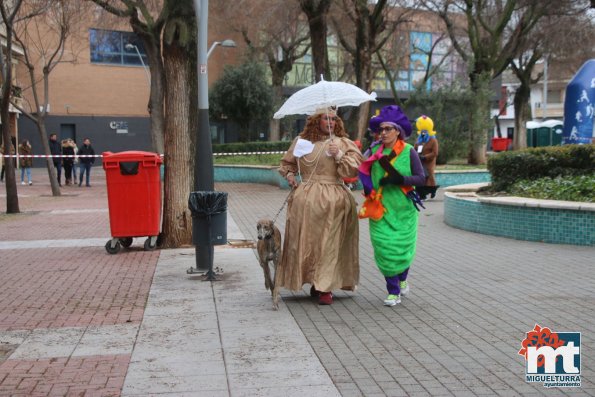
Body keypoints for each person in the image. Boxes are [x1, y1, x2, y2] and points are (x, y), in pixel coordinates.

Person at [277, 107, 363, 305]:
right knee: (307, 241)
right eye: (326, 118)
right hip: (305, 200)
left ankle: (325, 286)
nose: (331, 122)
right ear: (316, 120)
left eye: (334, 119)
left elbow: (354, 169)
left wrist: (340, 155)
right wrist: (290, 176)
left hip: (334, 199)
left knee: (329, 243)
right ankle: (314, 281)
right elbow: (287, 164)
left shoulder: (343, 143)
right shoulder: (302, 142)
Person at [357, 105, 426, 306]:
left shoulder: (409, 151)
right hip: (380, 209)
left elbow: (421, 178)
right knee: (385, 249)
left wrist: (400, 179)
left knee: (402, 250)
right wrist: (368, 187)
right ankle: (393, 291)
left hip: (404, 210)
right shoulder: (372, 150)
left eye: (388, 129)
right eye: (381, 129)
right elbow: (362, 171)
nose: (384, 132)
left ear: (398, 131)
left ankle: (402, 279)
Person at [413, 115, 439, 200]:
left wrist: (425, 157)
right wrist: (415, 154)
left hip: (429, 162)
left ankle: (432, 190)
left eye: (425, 132)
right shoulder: (419, 140)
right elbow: (415, 148)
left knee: (429, 176)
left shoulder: (433, 140)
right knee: (421, 176)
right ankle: (422, 193)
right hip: (420, 161)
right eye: (422, 132)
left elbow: (435, 152)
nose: (423, 133)